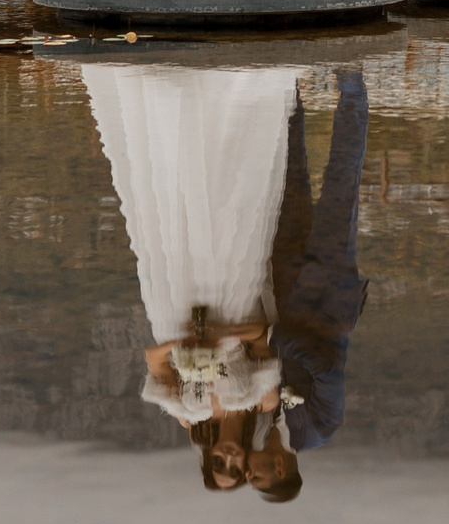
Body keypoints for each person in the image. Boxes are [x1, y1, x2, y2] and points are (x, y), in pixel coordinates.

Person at [84, 61, 301, 492]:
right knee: (229, 210)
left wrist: (184, 345)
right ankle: (231, 98)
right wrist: (222, 332)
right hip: (233, 296)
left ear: (207, 457)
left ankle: (167, 112)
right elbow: (262, 334)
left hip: (173, 300)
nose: (228, 457)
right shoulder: (261, 400)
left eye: (216, 462)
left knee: (172, 216)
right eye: (234, 468)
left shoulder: (187, 410)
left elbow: (153, 358)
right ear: (244, 468)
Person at [269, 68, 368, 458]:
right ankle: (352, 87)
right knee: (343, 178)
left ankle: (288, 84)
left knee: (289, 173)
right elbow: (326, 368)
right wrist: (278, 341)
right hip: (330, 283)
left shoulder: (270, 425)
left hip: (287, 279)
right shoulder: (320, 428)